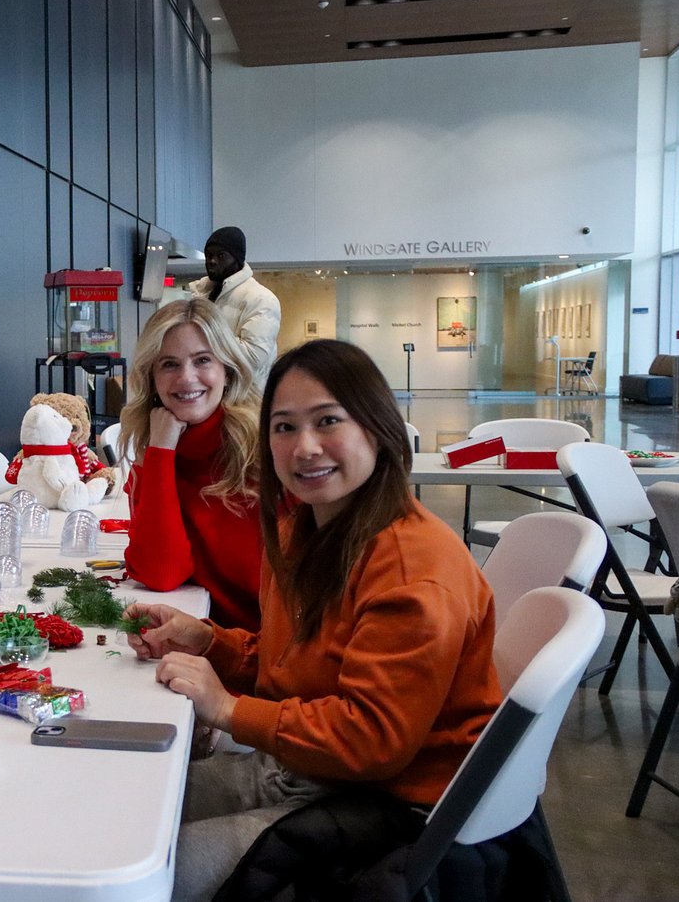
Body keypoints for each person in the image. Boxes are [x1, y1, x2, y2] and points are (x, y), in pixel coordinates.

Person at [125, 338, 502, 902]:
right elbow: (293, 663)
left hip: (385, 804)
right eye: (283, 427)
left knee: (145, 876)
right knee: (125, 804)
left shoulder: (412, 570)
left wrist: (226, 708)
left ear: (377, 429)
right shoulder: (305, 528)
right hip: (306, 767)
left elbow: (372, 740)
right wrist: (207, 640)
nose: (304, 448)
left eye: (328, 421)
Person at [119, 298, 263, 633]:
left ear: (227, 370)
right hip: (201, 644)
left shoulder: (262, 451)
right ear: (151, 377)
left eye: (202, 361)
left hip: (270, 655)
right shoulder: (153, 454)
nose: (186, 378)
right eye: (169, 364)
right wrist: (161, 450)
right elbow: (161, 573)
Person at [180, 225, 281, 387]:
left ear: (237, 259)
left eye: (221, 256)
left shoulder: (262, 299)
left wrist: (204, 335)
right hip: (206, 393)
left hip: (244, 400)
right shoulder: (201, 294)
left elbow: (253, 357)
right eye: (209, 255)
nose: (212, 261)